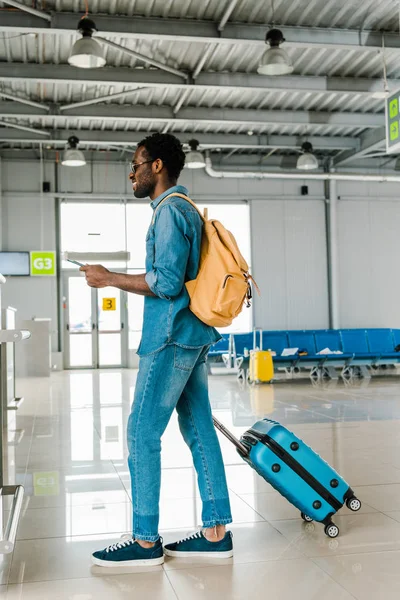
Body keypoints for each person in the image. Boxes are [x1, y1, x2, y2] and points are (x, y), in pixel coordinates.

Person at [83, 133, 233, 567]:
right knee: (198, 428)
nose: (131, 173)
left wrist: (109, 277)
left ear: (158, 166)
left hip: (169, 337)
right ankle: (216, 530)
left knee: (141, 432)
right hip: (194, 334)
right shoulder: (186, 210)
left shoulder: (168, 213)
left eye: (136, 164)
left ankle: (146, 540)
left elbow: (166, 284)